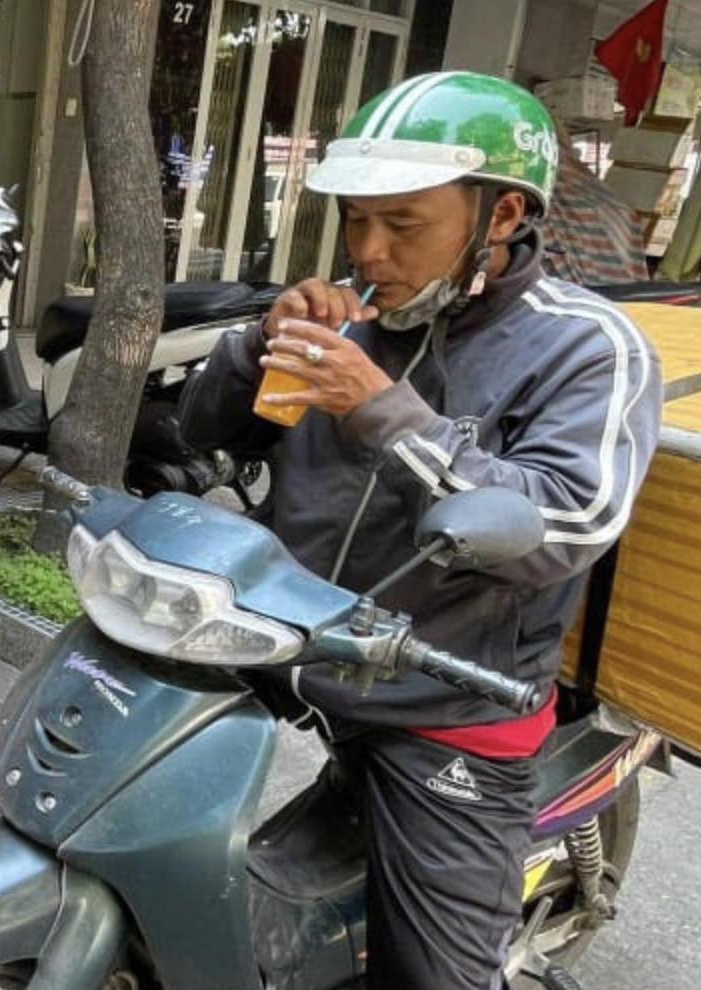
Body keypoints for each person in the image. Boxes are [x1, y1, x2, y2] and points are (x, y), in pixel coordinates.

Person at [178, 72, 661, 990]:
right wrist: (253, 347)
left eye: (403, 225)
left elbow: (566, 521)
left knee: (435, 979)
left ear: (504, 213)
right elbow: (200, 432)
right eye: (356, 221)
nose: (369, 250)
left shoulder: (587, 347)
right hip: (288, 640)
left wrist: (381, 412)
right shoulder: (356, 318)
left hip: (445, 701)